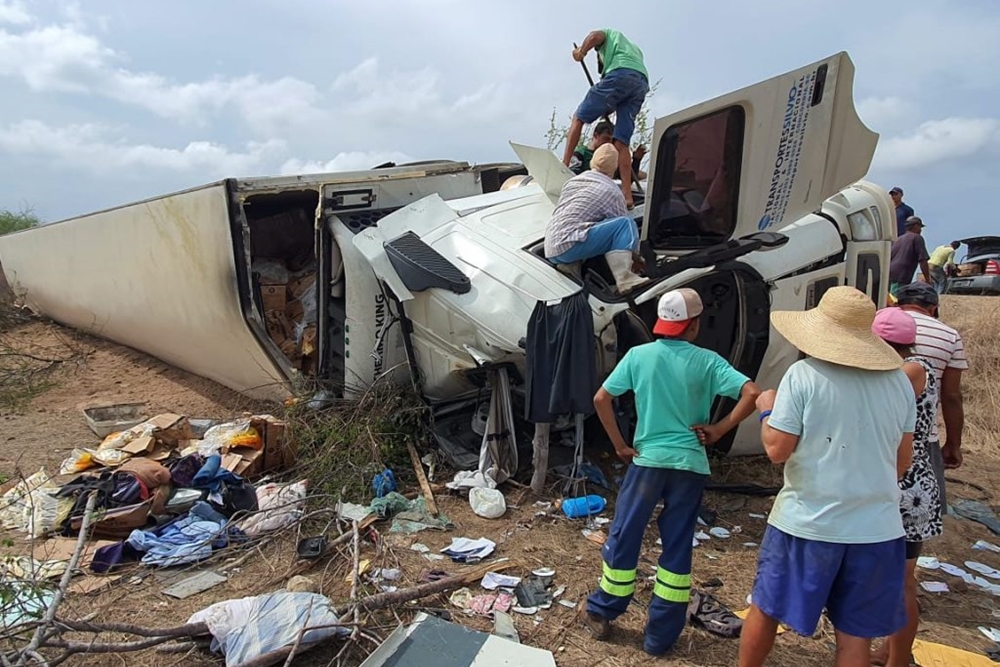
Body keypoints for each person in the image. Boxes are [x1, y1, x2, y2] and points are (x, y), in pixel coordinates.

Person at [738, 286, 915, 667]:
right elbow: (902, 463)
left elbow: (776, 450)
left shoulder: (802, 376)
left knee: (766, 610)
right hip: (878, 530)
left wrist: (767, 410)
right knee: (855, 638)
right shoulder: (900, 382)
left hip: (807, 524)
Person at [586, 288, 761, 656]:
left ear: (662, 324)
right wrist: (719, 429)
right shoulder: (708, 361)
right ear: (694, 326)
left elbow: (602, 398)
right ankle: (660, 637)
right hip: (690, 466)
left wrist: (620, 444)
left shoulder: (639, 356)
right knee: (677, 547)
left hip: (647, 462)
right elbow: (752, 392)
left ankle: (604, 611)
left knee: (625, 535)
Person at [870, 308, 943, 667]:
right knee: (900, 579)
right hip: (914, 484)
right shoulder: (923, 367)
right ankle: (890, 652)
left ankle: (897, 659)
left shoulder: (902, 373)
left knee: (899, 583)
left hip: (903, 485)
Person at [895, 282, 968, 499]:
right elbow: (951, 396)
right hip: (922, 435)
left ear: (899, 305)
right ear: (933, 308)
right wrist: (953, 444)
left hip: (871, 428)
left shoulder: (878, 321)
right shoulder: (950, 335)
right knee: (919, 503)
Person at [545, 143, 647, 293]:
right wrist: (637, 258)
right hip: (569, 246)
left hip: (552, 246)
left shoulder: (572, 182)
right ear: (614, 167)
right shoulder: (611, 190)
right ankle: (625, 279)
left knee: (583, 228)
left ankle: (570, 266)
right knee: (625, 224)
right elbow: (623, 230)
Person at [564, 29, 649, 209]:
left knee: (578, 118)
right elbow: (622, 91)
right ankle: (627, 195)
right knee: (621, 142)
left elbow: (596, 36)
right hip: (640, 82)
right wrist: (607, 107)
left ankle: (563, 165)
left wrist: (581, 51)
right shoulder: (632, 49)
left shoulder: (610, 36)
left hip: (620, 73)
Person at [889, 216, 931, 296]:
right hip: (901, 275)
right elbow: (923, 260)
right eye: (920, 227)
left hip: (890, 274)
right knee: (896, 300)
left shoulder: (899, 239)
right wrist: (927, 279)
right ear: (915, 226)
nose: (921, 230)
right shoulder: (917, 238)